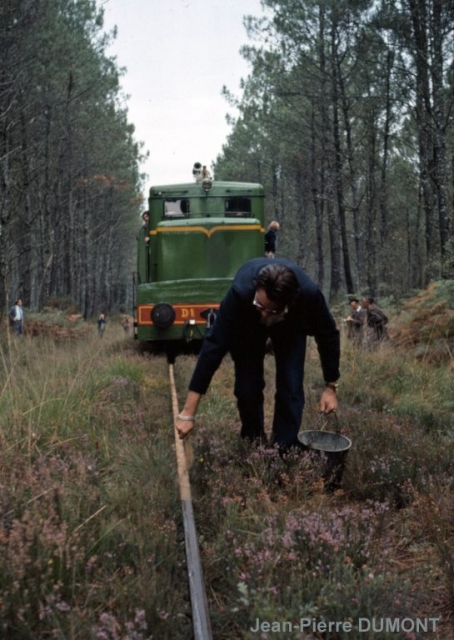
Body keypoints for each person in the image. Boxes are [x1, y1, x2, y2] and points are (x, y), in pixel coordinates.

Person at [175, 258, 340, 451]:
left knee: (291, 385)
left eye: (269, 310)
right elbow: (214, 346)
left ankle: (283, 450)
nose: (263, 314)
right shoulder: (240, 293)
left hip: (289, 325)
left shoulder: (308, 295)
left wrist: (331, 386)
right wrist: (188, 412)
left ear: (289, 302)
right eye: (260, 305)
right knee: (247, 388)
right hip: (247, 323)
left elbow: (328, 334)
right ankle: (254, 442)